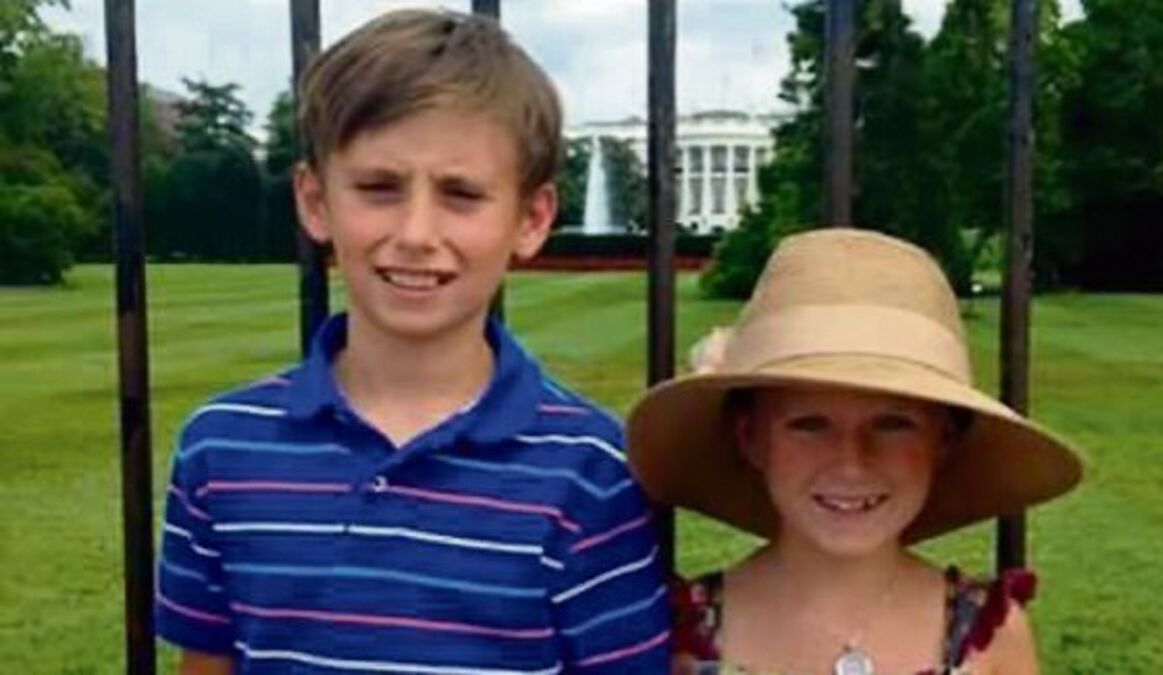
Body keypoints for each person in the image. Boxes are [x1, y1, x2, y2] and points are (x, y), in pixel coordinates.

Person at [154, 9, 668, 673]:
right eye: (379, 188)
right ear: (315, 201)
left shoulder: (592, 469)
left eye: (461, 194)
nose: (417, 233)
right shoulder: (221, 447)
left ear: (532, 218)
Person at [626, 228, 1083, 675]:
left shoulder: (991, 636)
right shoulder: (678, 636)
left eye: (893, 424)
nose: (851, 462)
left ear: (944, 439)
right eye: (809, 425)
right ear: (750, 438)